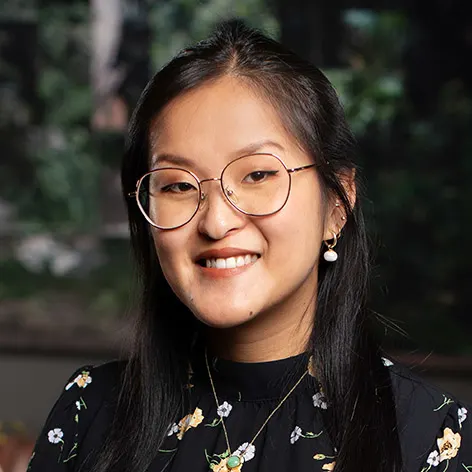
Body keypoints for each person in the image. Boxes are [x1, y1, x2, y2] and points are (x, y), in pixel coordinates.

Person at [28, 20, 470, 472]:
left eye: (258, 175)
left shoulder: (429, 437)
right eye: (178, 185)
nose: (216, 222)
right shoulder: (89, 411)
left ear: (337, 205)